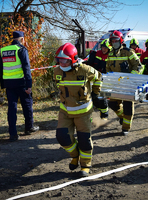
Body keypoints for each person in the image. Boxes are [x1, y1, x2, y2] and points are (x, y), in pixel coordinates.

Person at [53, 43, 102, 177]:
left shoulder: (85, 70)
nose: (61, 63)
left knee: (84, 139)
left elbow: (98, 77)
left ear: (73, 59)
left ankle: (85, 165)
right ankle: (75, 156)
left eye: (65, 60)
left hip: (83, 112)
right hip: (65, 111)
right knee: (62, 137)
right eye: (59, 60)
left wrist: (96, 94)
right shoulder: (57, 72)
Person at [0, 31, 39, 142]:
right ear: (22, 39)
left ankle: (13, 134)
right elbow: (26, 68)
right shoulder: (21, 49)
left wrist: (3, 84)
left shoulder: (4, 50)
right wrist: (29, 85)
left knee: (12, 108)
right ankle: (29, 128)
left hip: (9, 84)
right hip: (21, 83)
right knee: (27, 105)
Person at [106, 30, 142, 136]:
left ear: (121, 40)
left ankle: (125, 128)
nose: (114, 42)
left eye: (116, 40)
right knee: (112, 103)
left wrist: (130, 76)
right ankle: (122, 116)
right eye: (112, 41)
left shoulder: (128, 51)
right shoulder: (111, 53)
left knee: (127, 106)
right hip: (115, 83)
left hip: (128, 84)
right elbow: (108, 67)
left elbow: (138, 65)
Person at [85, 39, 111, 119]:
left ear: (109, 49)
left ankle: (104, 116)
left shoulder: (111, 56)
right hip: (94, 79)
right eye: (103, 47)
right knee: (92, 97)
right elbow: (88, 62)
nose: (104, 49)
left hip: (106, 80)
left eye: (106, 48)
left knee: (102, 98)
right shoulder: (96, 53)